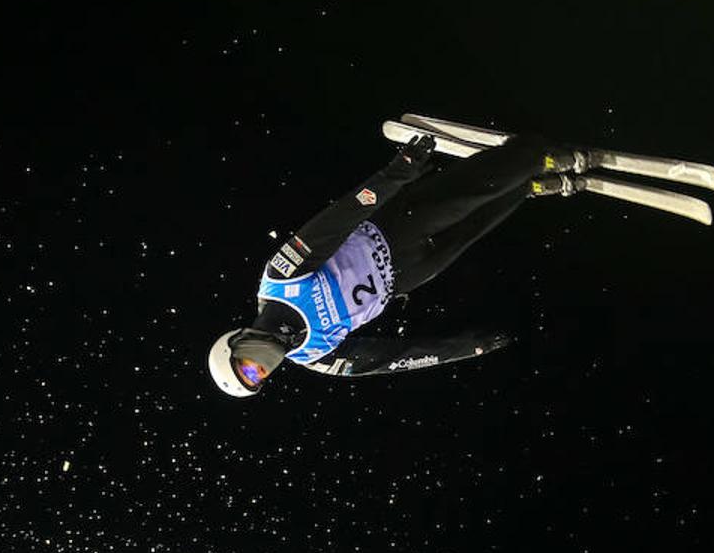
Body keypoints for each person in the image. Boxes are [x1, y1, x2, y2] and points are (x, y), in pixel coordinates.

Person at [207, 132, 587, 397]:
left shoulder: (281, 279)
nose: (261, 370)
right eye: (258, 378)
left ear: (237, 342)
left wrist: (394, 175)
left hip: (391, 231)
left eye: (248, 367)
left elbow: (337, 219)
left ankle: (534, 155)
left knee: (466, 195)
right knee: (475, 227)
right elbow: (395, 360)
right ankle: (527, 184)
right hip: (406, 277)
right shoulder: (317, 358)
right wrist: (465, 348)